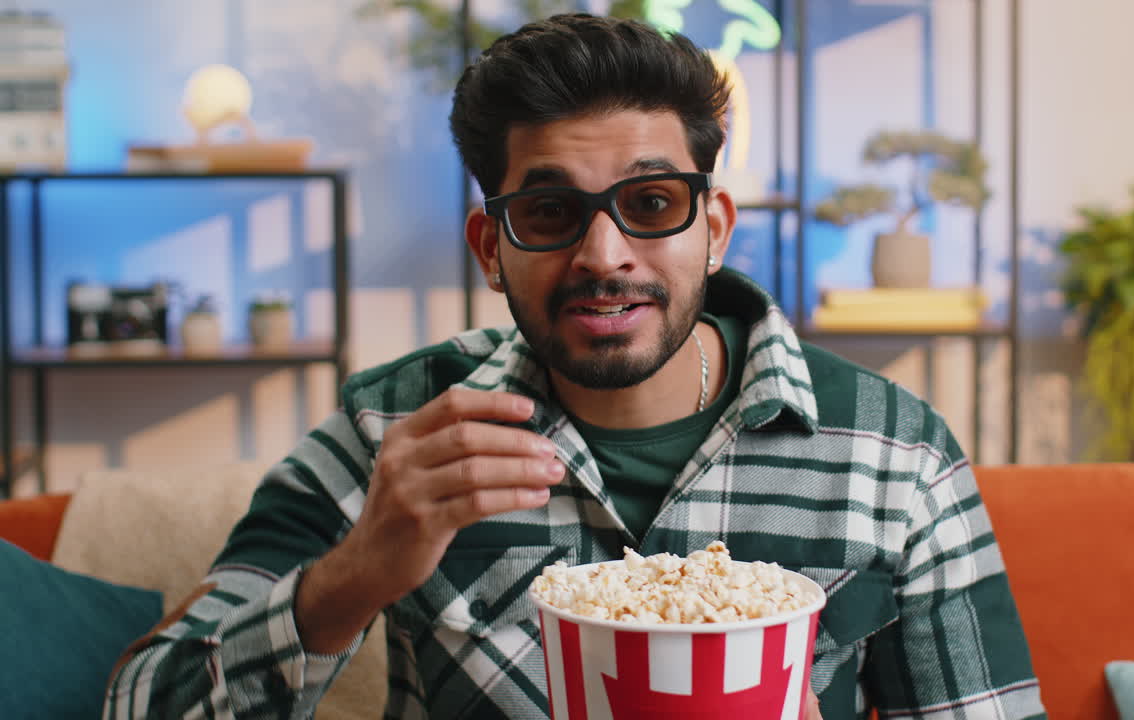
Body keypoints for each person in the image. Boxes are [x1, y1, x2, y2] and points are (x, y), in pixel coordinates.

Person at [106, 13, 1044, 719]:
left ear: (711, 228)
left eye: (651, 202)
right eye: (551, 212)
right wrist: (354, 574)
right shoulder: (395, 431)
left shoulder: (892, 454)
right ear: (490, 245)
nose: (605, 255)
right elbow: (141, 704)